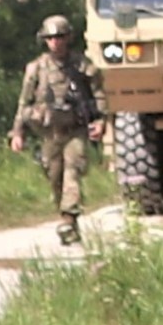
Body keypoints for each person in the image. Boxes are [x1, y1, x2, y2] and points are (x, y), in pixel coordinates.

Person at [9, 15, 106, 244]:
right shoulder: (36, 69)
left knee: (73, 169)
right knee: (55, 178)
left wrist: (101, 121)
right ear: (45, 40)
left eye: (60, 37)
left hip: (76, 130)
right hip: (49, 133)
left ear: (69, 38)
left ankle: (68, 219)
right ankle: (67, 220)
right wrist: (17, 132)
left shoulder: (82, 66)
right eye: (51, 38)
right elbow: (24, 102)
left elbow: (99, 95)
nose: (56, 42)